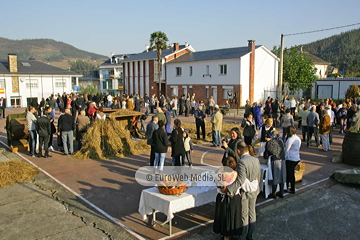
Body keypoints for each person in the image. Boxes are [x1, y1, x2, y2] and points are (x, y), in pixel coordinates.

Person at [222, 142, 261, 240]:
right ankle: (250, 235)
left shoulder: (242, 162)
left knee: (244, 215)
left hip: (245, 192)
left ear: (239, 151)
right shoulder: (255, 160)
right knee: (252, 213)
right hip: (254, 190)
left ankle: (243, 236)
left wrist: (229, 189)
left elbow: (241, 180)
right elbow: (258, 175)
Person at [285, 126, 301, 194]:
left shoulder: (290, 139)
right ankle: (289, 186)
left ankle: (291, 188)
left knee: (290, 174)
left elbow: (287, 149)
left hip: (290, 158)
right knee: (291, 173)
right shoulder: (297, 138)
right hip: (296, 157)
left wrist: (284, 157)